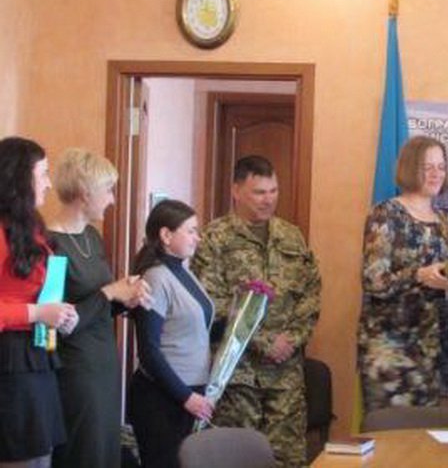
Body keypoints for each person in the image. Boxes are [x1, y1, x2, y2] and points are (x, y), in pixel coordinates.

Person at [192, 155, 321, 468]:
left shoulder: (291, 236)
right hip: (239, 377)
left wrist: (292, 338)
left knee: (288, 460)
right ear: (236, 191)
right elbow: (211, 301)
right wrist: (264, 341)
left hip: (285, 376)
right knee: (238, 460)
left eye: (273, 191)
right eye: (259, 192)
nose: (268, 200)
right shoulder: (214, 238)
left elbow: (311, 292)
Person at [48, 148, 151, 468]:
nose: (112, 199)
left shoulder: (92, 237)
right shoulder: (50, 245)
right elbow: (58, 324)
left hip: (104, 363)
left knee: (107, 452)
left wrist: (124, 299)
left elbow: (95, 308)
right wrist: (110, 293)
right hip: (76, 369)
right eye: (107, 190)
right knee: (86, 453)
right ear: (84, 193)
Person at [357, 135, 448, 413]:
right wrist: (419, 274)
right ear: (411, 169)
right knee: (390, 433)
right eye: (428, 167)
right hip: (388, 346)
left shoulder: (446, 222)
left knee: (423, 432)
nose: (436, 174)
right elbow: (373, 281)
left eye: (441, 167)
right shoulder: (386, 214)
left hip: (429, 345)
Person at [0, 136, 79, 468]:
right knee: (25, 457)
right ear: (20, 177)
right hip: (10, 362)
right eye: (43, 173)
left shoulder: (31, 228)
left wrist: (61, 315)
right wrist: (37, 312)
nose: (49, 183)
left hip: (37, 354)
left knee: (41, 456)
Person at [128, 200, 214, 468]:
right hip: (164, 397)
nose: (197, 238)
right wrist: (186, 397)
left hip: (190, 393)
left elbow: (198, 328)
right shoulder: (156, 277)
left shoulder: (183, 271)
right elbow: (149, 351)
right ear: (166, 235)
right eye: (191, 231)